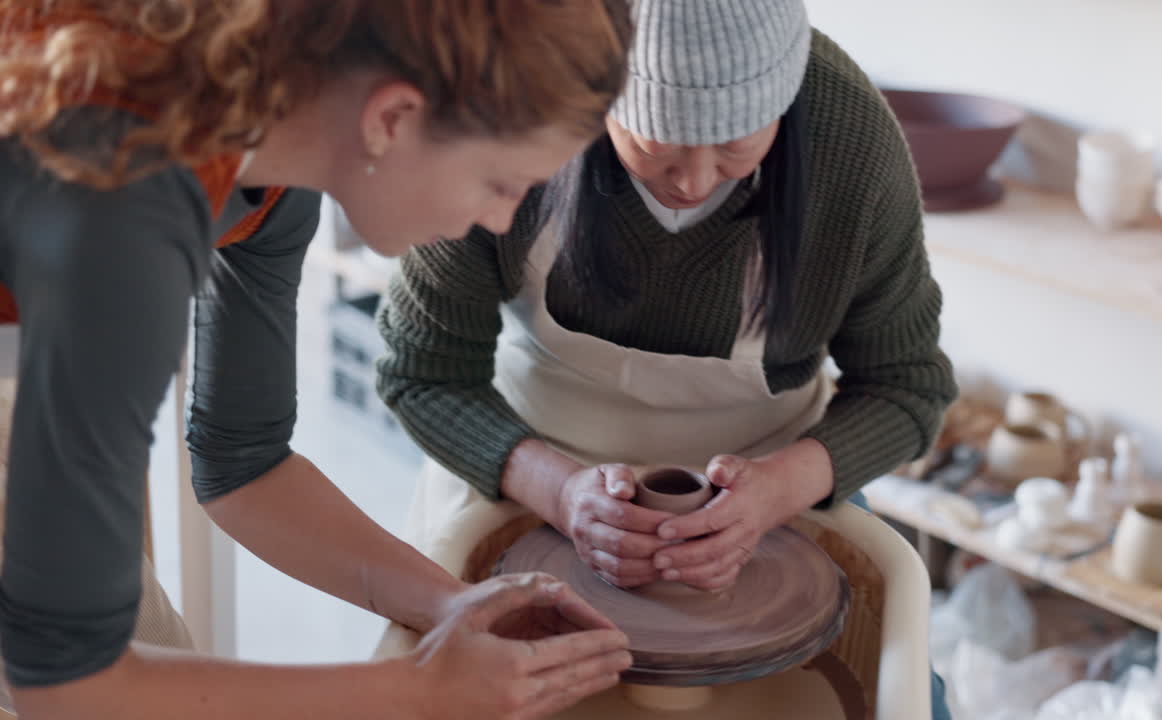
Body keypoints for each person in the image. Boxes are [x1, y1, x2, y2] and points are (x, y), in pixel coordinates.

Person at [0, 1, 637, 718]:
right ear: (392, 118)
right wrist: (420, 692)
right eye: (502, 184)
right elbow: (62, 684)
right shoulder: (128, 214)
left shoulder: (273, 167)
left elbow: (242, 466)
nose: (500, 221)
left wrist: (454, 604)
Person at [377, 0, 957, 716]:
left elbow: (908, 387)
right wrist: (560, 492)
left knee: (907, 696)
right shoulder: (512, 106)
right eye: (660, 144)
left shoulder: (853, 145)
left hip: (769, 482)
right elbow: (422, 371)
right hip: (529, 466)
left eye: (735, 146)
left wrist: (774, 492)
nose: (693, 180)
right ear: (597, 97)